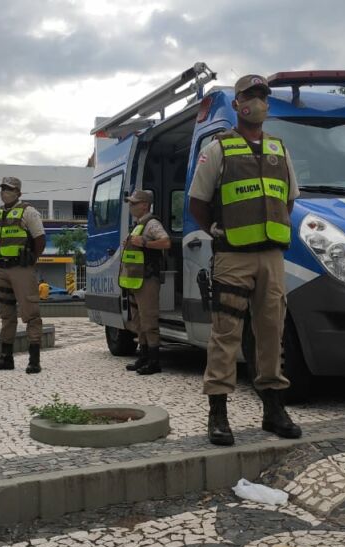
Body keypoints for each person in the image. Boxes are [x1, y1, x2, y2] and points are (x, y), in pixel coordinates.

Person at [188, 74, 303, 446]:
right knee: (226, 334)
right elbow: (197, 202)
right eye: (250, 96)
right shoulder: (218, 149)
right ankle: (218, 414)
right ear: (237, 105)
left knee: (272, 332)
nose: (258, 102)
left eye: (263, 96)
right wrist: (216, 231)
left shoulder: (279, 149)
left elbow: (288, 199)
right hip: (233, 256)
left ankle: (274, 410)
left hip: (271, 256)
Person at [0, 176, 46, 374]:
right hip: (2, 269)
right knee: (6, 315)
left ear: (18, 192)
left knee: (31, 314)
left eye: (9, 189)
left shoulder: (28, 211)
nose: (4, 192)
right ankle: (6, 358)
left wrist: (32, 259)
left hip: (21, 269)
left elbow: (40, 238)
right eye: (2, 188)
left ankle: (34, 361)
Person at [118, 189, 171, 375]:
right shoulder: (138, 224)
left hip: (147, 279)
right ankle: (144, 356)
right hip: (135, 281)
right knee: (139, 321)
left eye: (134, 203)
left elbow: (166, 242)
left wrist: (145, 243)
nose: (131, 206)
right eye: (130, 203)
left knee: (149, 320)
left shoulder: (152, 223)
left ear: (145, 205)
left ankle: (154, 361)